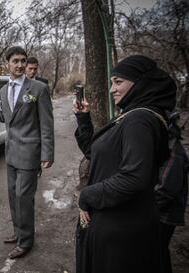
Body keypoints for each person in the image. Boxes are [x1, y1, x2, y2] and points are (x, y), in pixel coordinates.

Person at [73, 55, 176, 273]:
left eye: (118, 82)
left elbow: (133, 178)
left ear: (140, 83)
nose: (112, 89)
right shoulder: (132, 115)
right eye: (111, 82)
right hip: (119, 225)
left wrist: (87, 195)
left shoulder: (139, 119)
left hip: (122, 235)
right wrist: (83, 119)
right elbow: (96, 152)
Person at [0, 46, 54, 259]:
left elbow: (46, 124)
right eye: (15, 61)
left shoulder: (38, 88)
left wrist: (47, 153)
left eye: (22, 61)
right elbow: (7, 119)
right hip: (10, 152)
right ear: (7, 64)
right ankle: (19, 232)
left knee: (23, 198)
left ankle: (26, 241)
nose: (19, 65)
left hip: (30, 152)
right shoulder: (3, 90)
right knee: (13, 196)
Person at [155, 111, 189, 273]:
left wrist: (144, 210)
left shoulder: (172, 150)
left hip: (165, 214)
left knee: (157, 250)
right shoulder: (164, 144)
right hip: (161, 210)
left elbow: (165, 190)